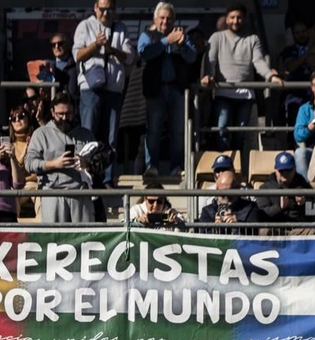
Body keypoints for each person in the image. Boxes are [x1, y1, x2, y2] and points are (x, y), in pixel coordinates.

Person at [200, 5, 281, 149]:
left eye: (239, 17)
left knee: (240, 134)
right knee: (221, 129)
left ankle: (235, 167)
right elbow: (210, 61)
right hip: (222, 93)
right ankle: (223, 165)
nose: (235, 21)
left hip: (245, 96)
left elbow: (258, 61)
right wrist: (208, 76)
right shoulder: (217, 37)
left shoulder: (252, 39)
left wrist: (270, 77)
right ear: (227, 19)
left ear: (244, 19)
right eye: (232, 17)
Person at [138, 4, 197, 176]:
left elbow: (192, 57)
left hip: (177, 89)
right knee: (154, 130)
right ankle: (152, 168)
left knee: (178, 131)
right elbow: (144, 53)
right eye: (162, 18)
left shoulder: (180, 34)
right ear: (155, 19)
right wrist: (166, 41)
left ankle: (176, 168)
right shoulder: (147, 35)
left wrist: (182, 44)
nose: (165, 21)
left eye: (169, 18)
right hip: (156, 90)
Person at [25, 95, 96, 225]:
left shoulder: (86, 134)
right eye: (60, 114)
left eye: (68, 113)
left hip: (81, 195)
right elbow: (29, 163)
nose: (64, 118)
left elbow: (99, 161)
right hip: (52, 195)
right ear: (52, 112)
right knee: (54, 241)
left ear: (74, 111)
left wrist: (87, 164)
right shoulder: (41, 134)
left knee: (83, 241)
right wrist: (54, 164)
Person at [73, 0, 131, 151]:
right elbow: (77, 55)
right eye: (103, 9)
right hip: (90, 90)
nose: (106, 13)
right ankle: (86, 174)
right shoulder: (85, 26)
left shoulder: (120, 28)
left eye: (110, 9)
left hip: (113, 91)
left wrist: (111, 49)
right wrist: (96, 45)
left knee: (110, 140)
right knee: (88, 137)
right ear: (95, 8)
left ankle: (107, 175)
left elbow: (130, 57)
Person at [196, 166, 260, 232]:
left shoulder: (250, 209)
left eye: (229, 192)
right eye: (223, 193)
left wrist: (239, 225)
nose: (226, 196)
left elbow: (255, 233)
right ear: (216, 190)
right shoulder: (208, 211)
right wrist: (215, 229)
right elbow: (202, 237)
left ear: (237, 189)